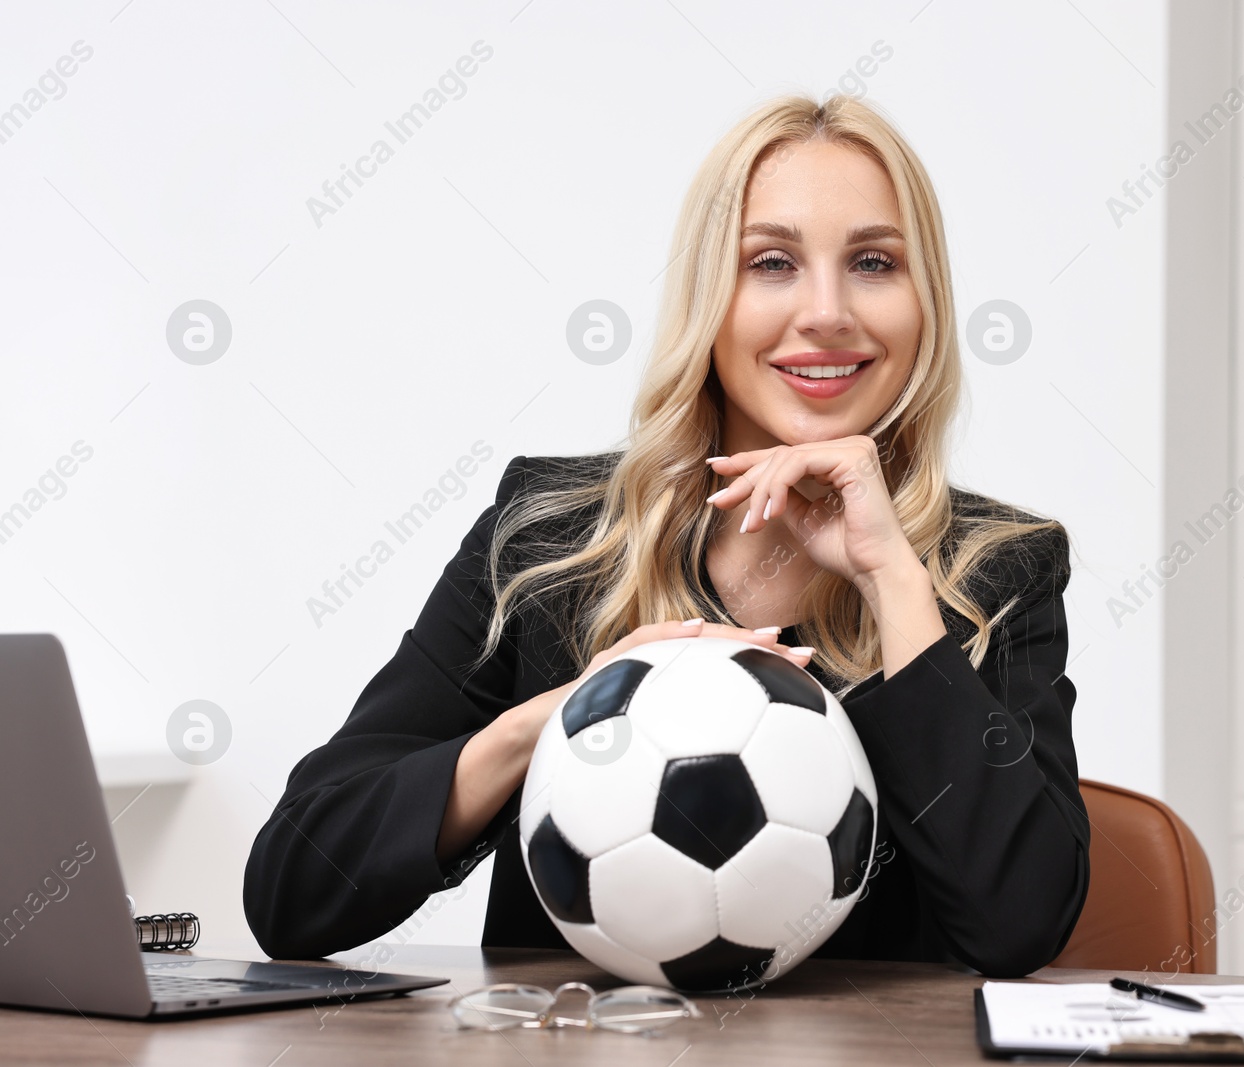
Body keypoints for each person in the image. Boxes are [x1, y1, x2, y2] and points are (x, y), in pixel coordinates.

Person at [244, 92, 1090, 979]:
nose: (828, 311)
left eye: (874, 261)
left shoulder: (1000, 567)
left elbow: (1019, 923)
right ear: (708, 298)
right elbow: (292, 889)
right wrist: (556, 717)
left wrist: (894, 580)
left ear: (927, 303)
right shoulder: (548, 535)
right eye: (772, 262)